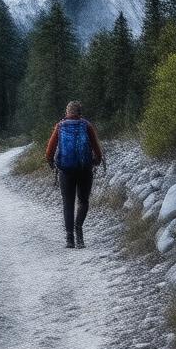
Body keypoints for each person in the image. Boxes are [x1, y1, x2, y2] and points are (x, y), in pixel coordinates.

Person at [45, 100, 104, 249]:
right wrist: (96, 161)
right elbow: (97, 149)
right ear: (80, 112)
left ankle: (69, 239)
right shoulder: (87, 125)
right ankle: (79, 231)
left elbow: (49, 151)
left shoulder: (60, 126)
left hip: (66, 171)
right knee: (83, 201)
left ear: (67, 112)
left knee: (68, 204)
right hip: (85, 169)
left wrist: (52, 163)